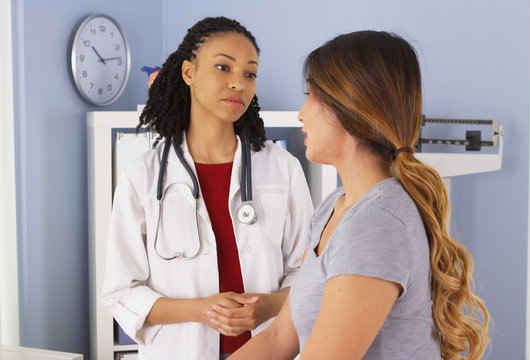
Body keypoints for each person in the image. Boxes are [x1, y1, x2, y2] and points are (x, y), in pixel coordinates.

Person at [228, 30, 490, 360]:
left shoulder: (377, 222)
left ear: (349, 107)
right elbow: (280, 337)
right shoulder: (335, 206)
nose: (301, 113)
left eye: (311, 95)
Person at [101, 17, 314, 360]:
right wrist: (200, 309)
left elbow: (307, 273)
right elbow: (121, 292)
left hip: (266, 349)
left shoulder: (282, 169)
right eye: (222, 67)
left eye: (249, 73)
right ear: (188, 72)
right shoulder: (142, 176)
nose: (238, 84)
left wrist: (269, 306)